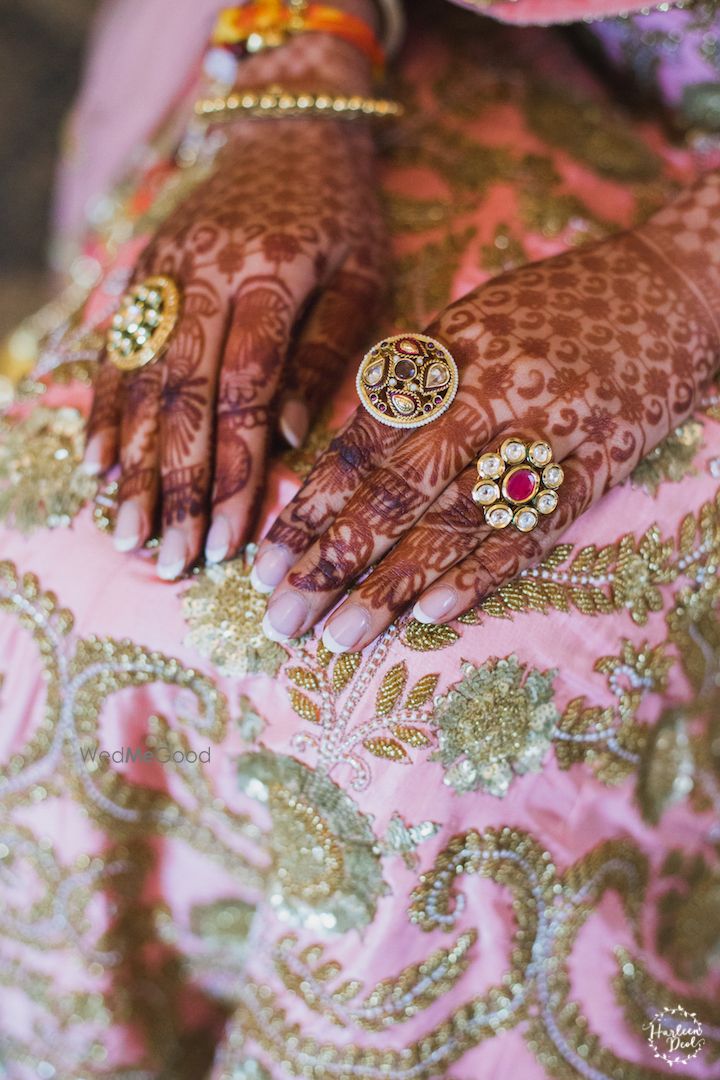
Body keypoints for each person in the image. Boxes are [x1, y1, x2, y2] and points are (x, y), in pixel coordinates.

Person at [1, 0, 719, 1076]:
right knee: (62, 533)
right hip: (439, 39)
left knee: (466, 738)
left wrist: (685, 282)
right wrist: (298, 89)